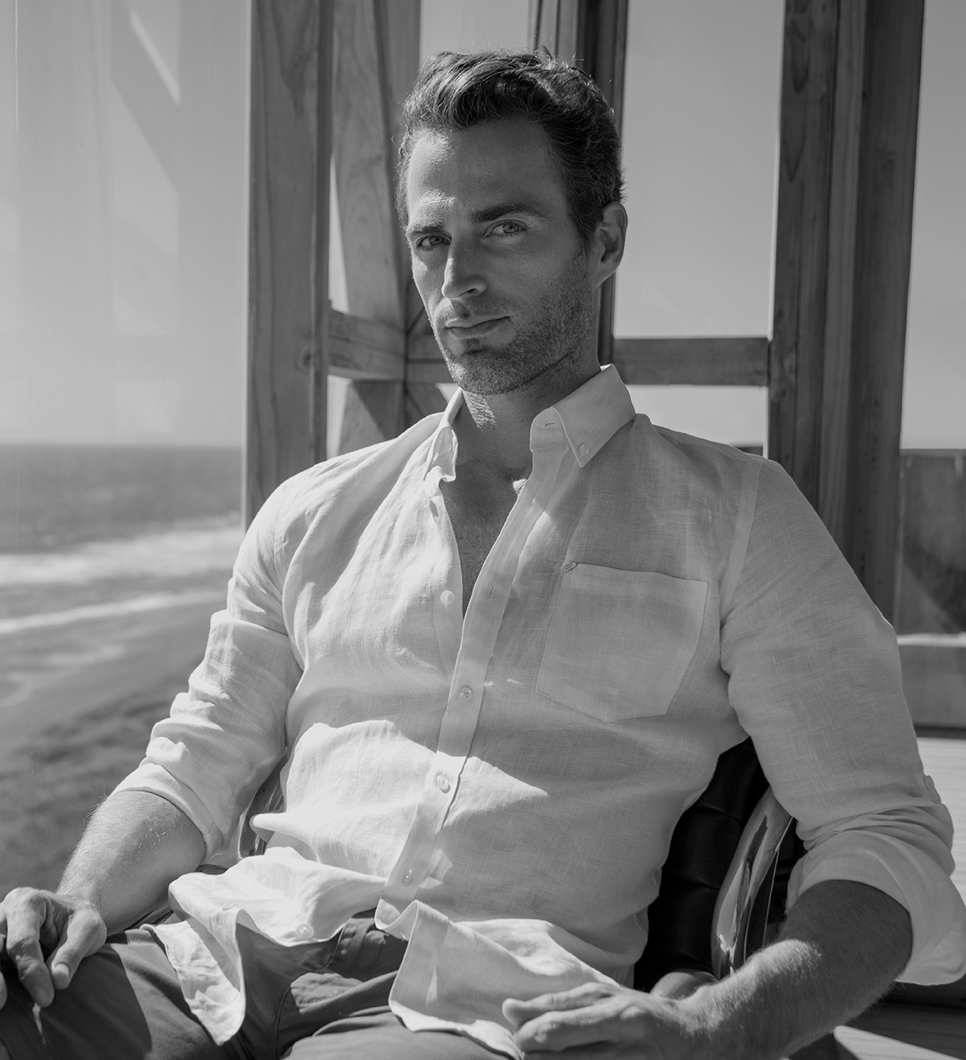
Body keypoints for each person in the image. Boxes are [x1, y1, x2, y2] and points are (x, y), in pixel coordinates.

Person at [1, 50, 964, 1060]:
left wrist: (718, 1026)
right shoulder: (312, 513)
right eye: (432, 238)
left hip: (476, 1004)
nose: (456, 279)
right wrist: (76, 902)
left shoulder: (740, 518)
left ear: (605, 240)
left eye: (504, 227)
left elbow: (884, 836)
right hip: (219, 954)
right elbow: (192, 767)